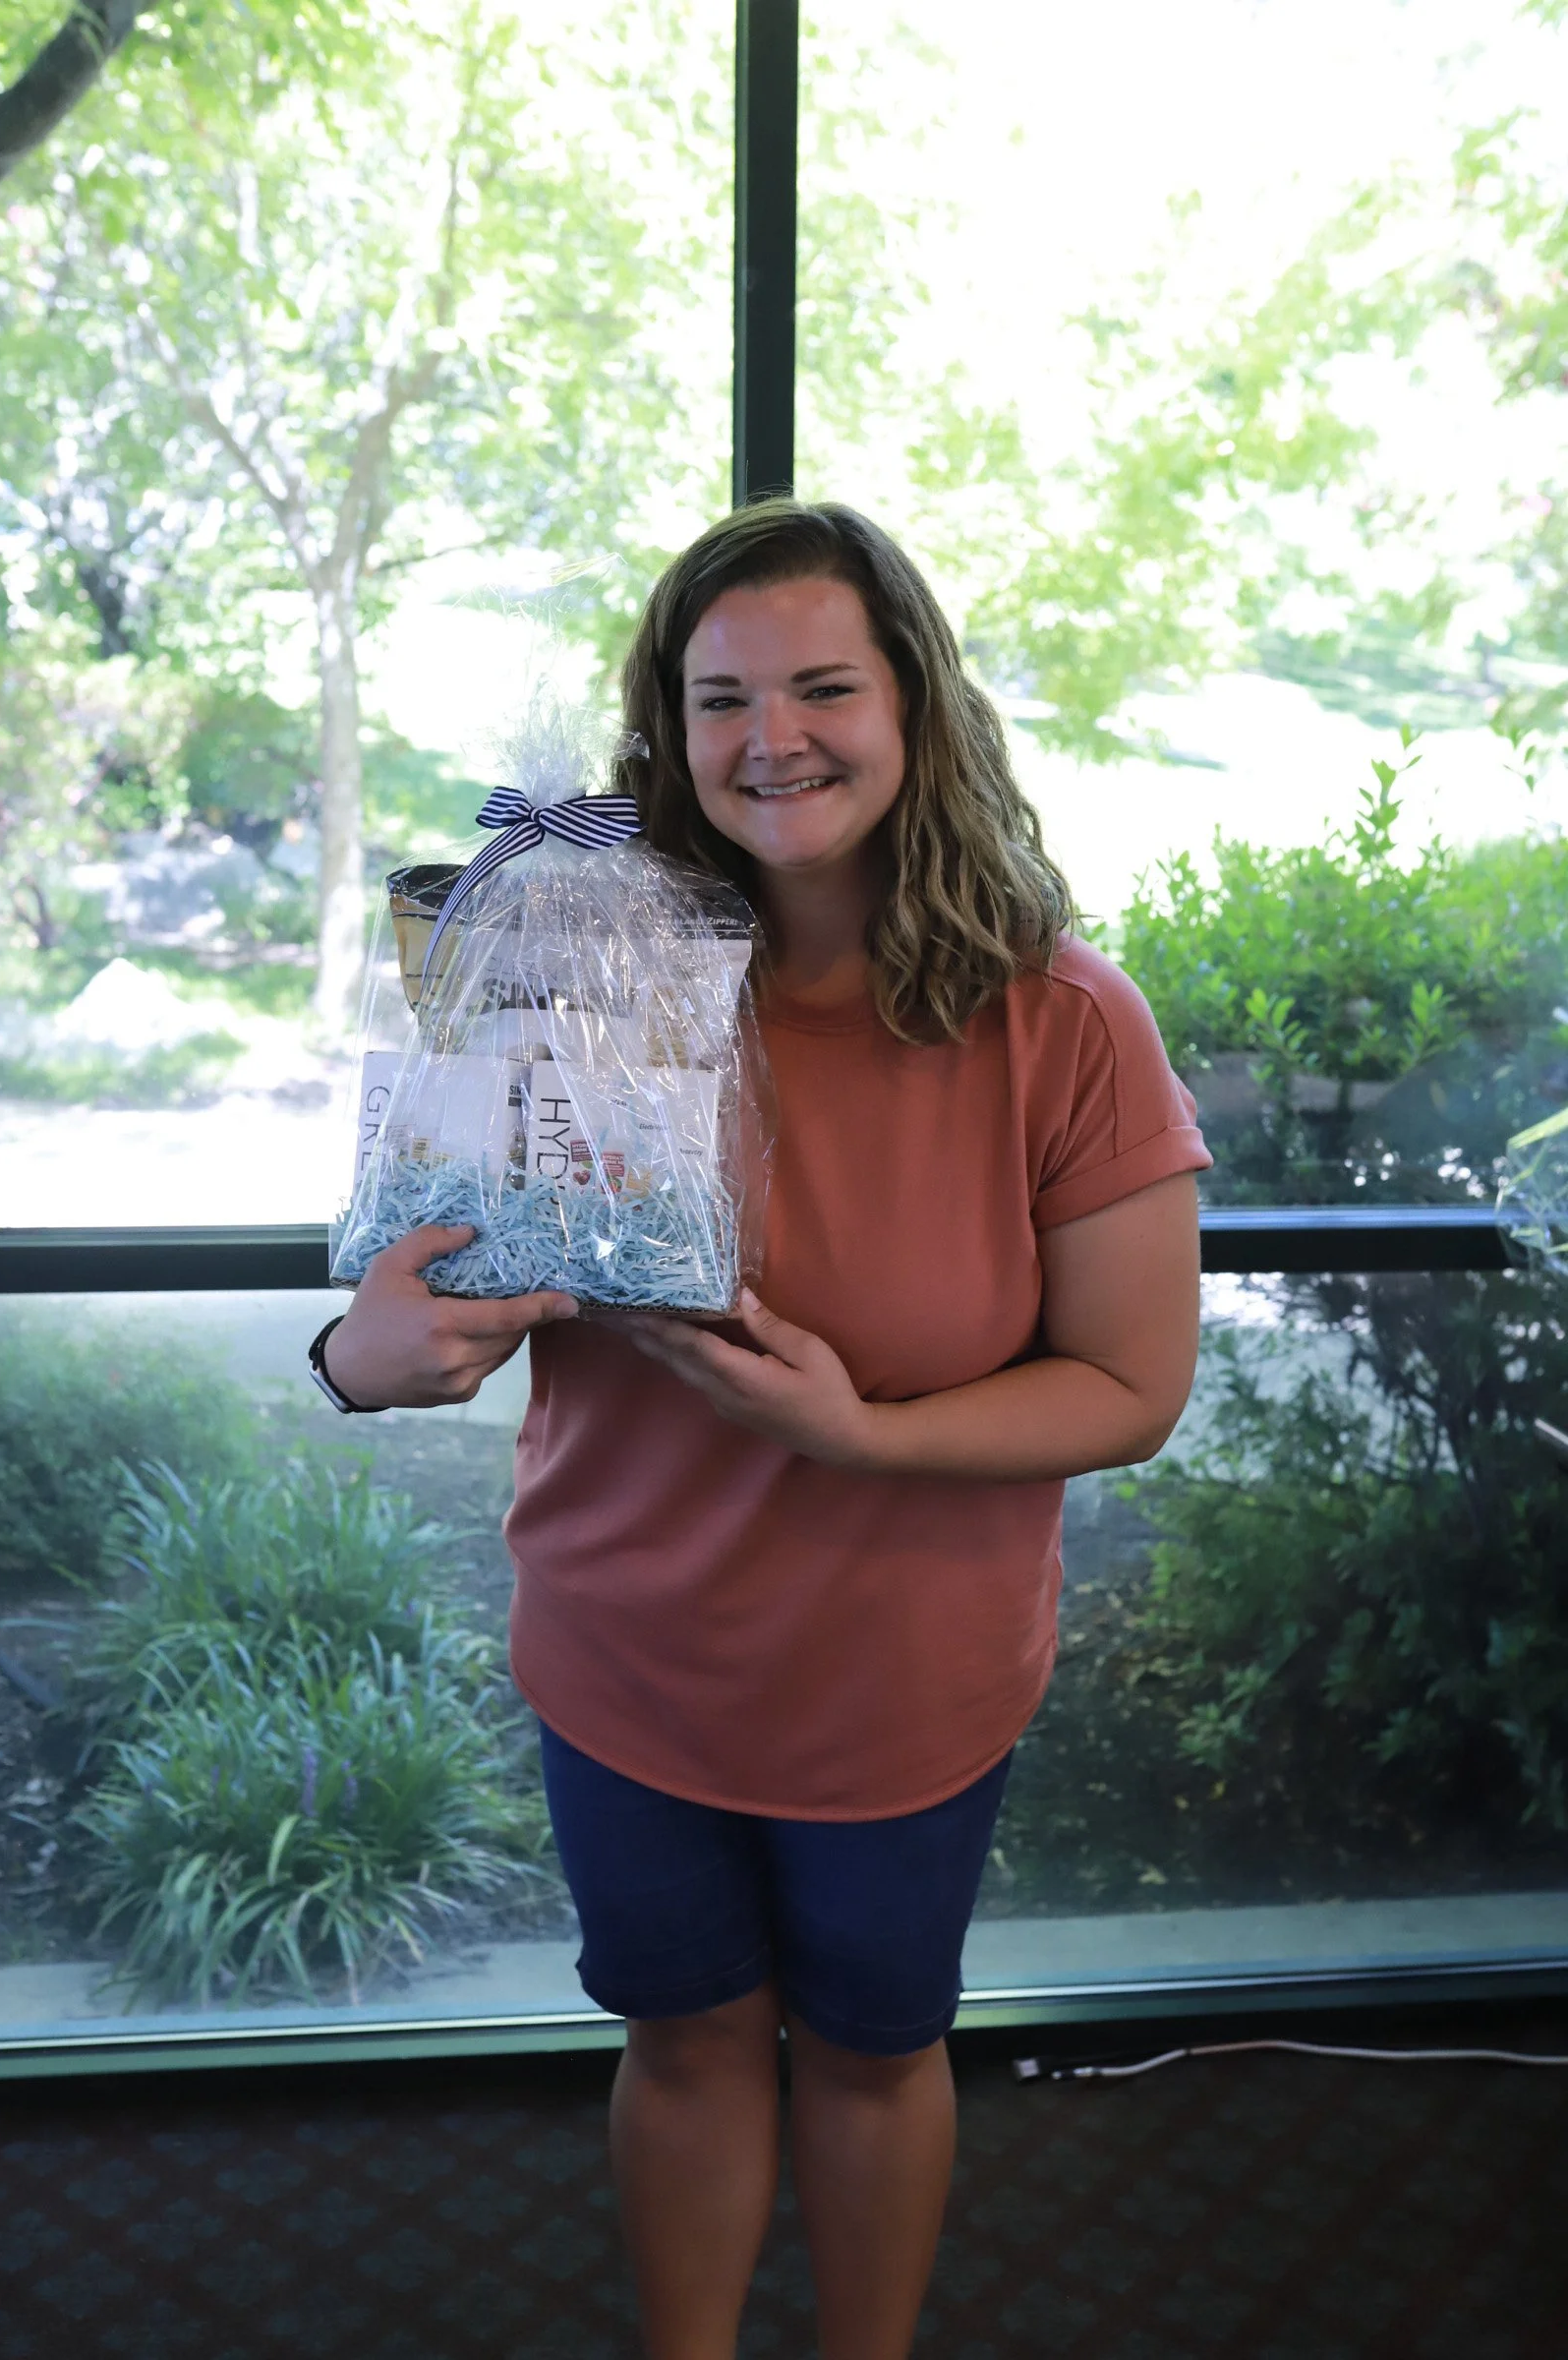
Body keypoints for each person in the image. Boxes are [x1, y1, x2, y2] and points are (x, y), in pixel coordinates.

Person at [318, 501, 1211, 2360]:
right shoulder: (565, 976)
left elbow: (1133, 1386)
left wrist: (860, 1436)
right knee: (687, 2043)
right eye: (721, 698)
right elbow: (422, 1276)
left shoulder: (1062, 1021)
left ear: (915, 707)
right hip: (627, 1666)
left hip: (905, 1687)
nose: (772, 737)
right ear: (667, 725)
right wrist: (361, 1351)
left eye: (824, 687)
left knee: (877, 2058)